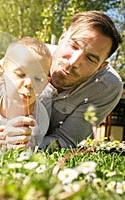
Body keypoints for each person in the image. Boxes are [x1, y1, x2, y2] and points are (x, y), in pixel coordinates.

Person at [38, 11, 123, 149]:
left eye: (90, 59)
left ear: (100, 67)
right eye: (73, 46)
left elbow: (65, 140)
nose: (73, 62)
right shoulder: (25, 57)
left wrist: (24, 147)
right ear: (62, 37)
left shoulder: (108, 87)